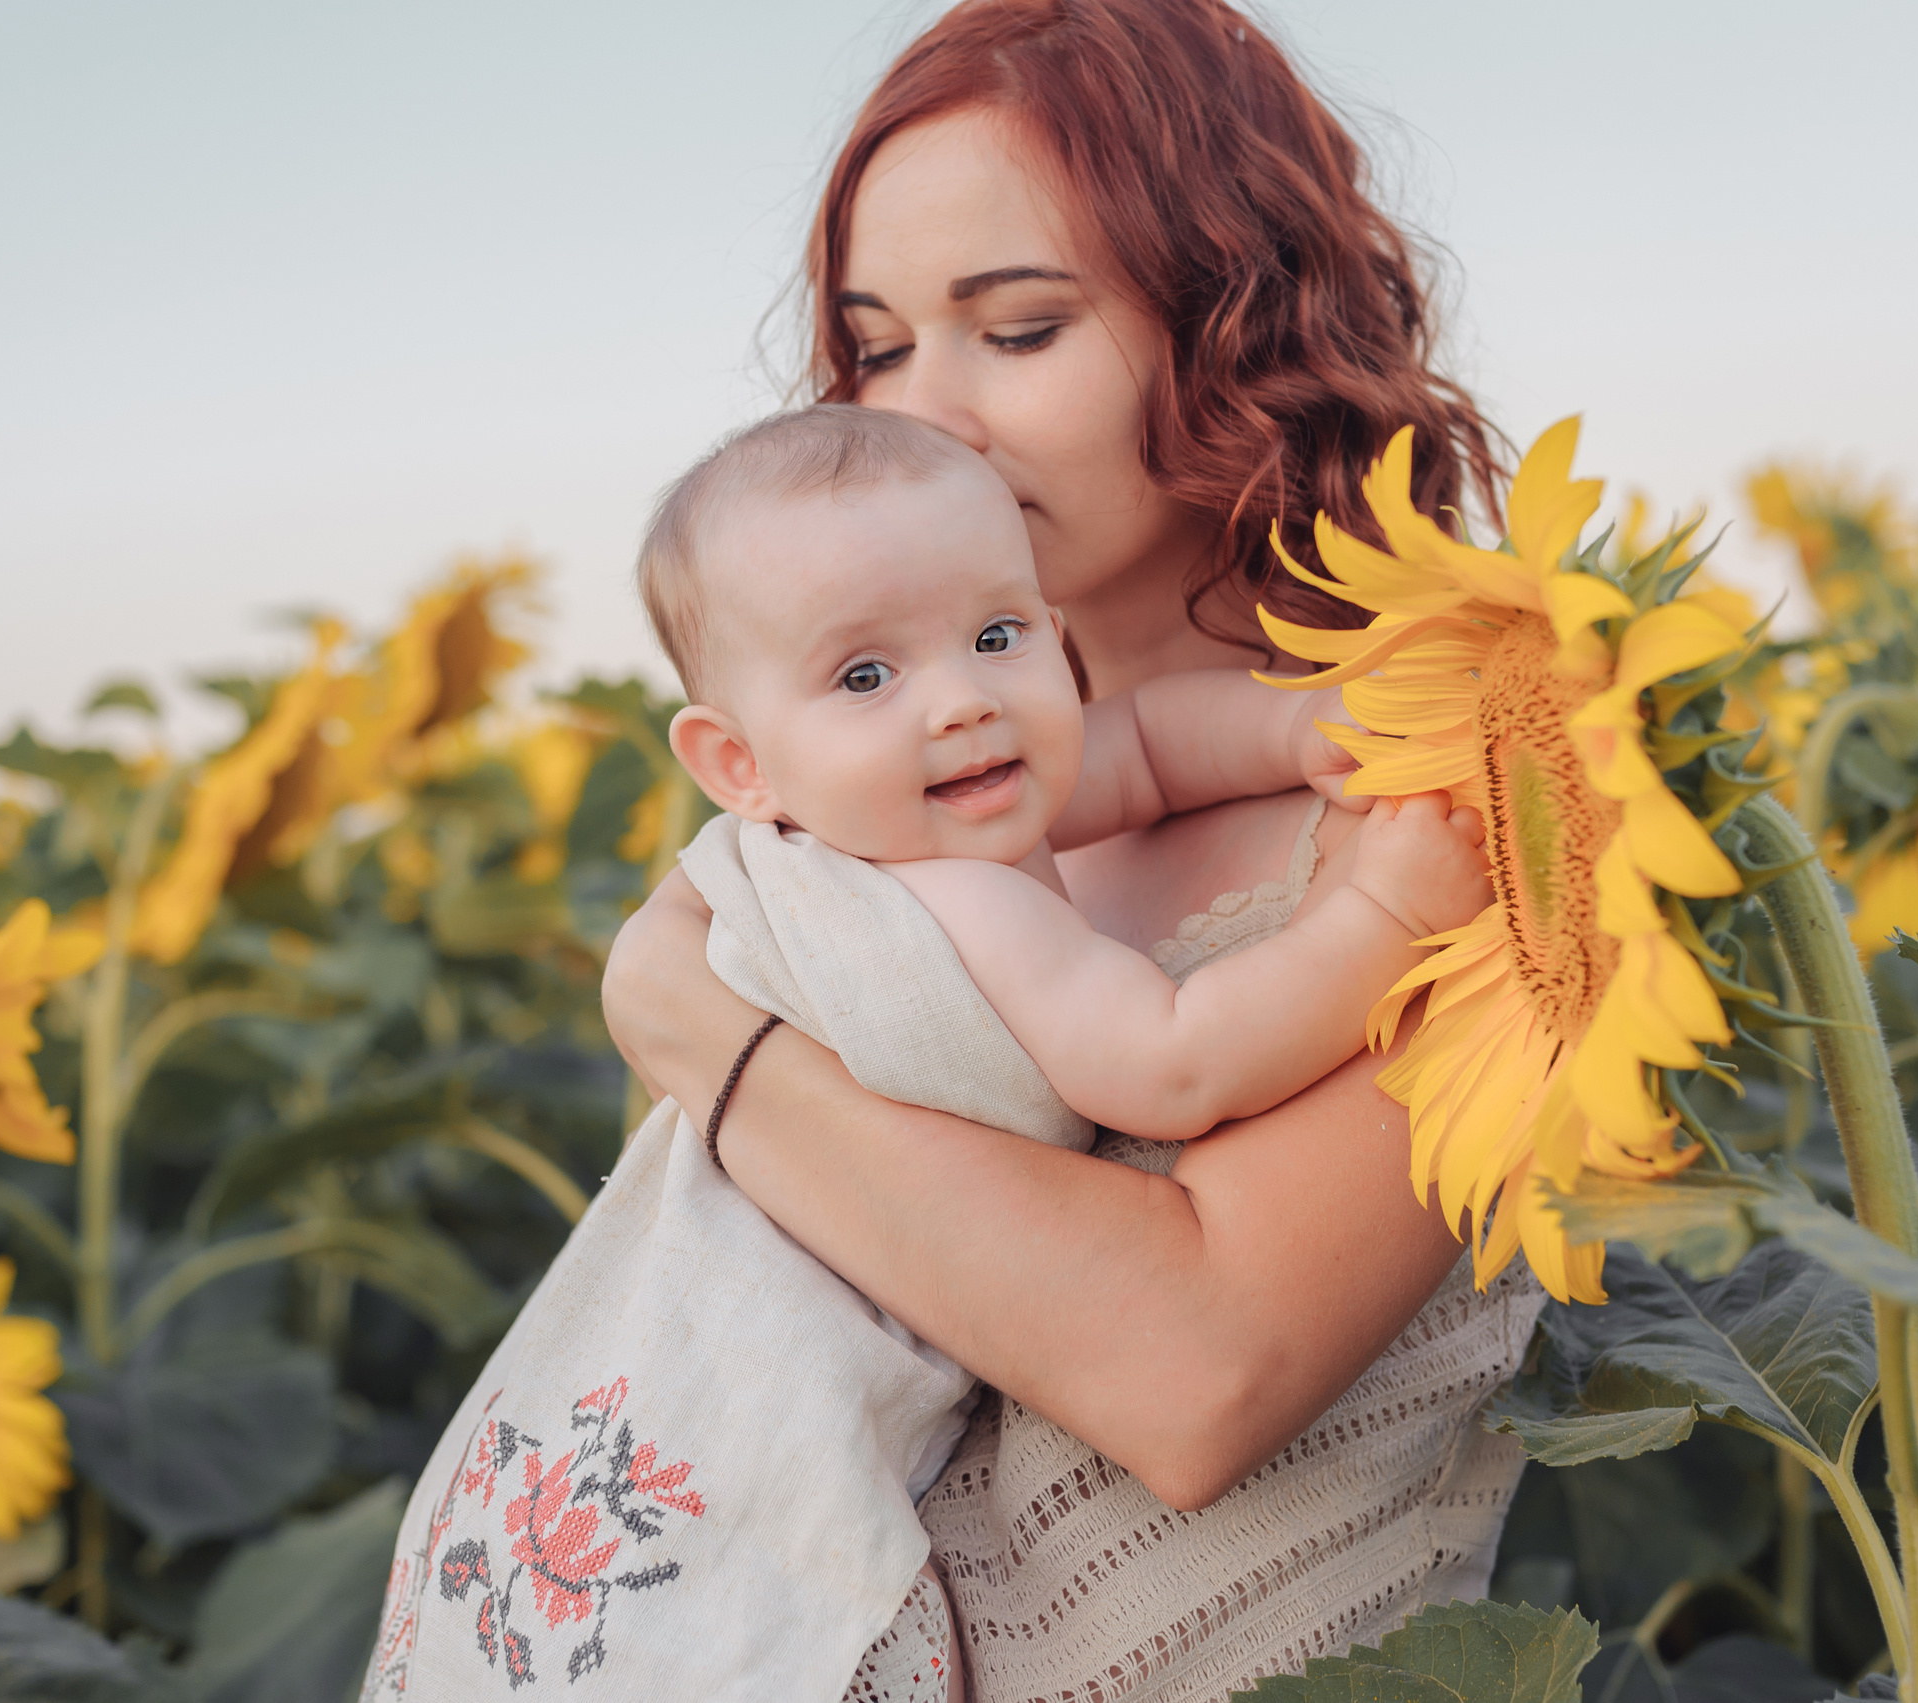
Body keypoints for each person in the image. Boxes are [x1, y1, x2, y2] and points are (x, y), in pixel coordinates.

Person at [602, 3, 1544, 1699]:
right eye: (879, 348)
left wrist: (701, 1035)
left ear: (1241, 315)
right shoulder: (898, 805)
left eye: (1018, 329)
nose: (929, 417)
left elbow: (1199, 1375)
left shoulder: (1475, 797)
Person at [364, 402, 1489, 1702]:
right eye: (864, 677)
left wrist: (1304, 730)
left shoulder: (928, 801)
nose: (960, 701)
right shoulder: (949, 901)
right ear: (739, 765)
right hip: (755, 1386)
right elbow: (1173, 1061)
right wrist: (1390, 916)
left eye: (996, 636)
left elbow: (1151, 748)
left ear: (1050, 645)